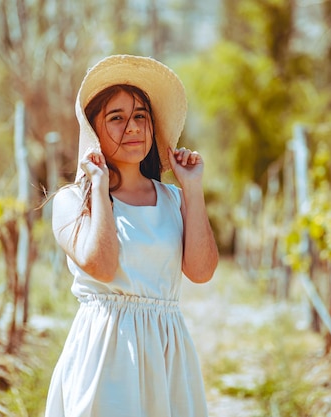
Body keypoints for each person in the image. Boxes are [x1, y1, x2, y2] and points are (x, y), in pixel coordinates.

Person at [45, 54, 219, 417]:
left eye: (141, 115)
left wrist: (193, 188)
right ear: (93, 130)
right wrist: (99, 184)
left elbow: (201, 271)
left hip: (166, 353)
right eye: (116, 118)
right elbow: (103, 267)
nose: (133, 127)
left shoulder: (173, 198)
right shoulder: (72, 202)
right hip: (105, 353)